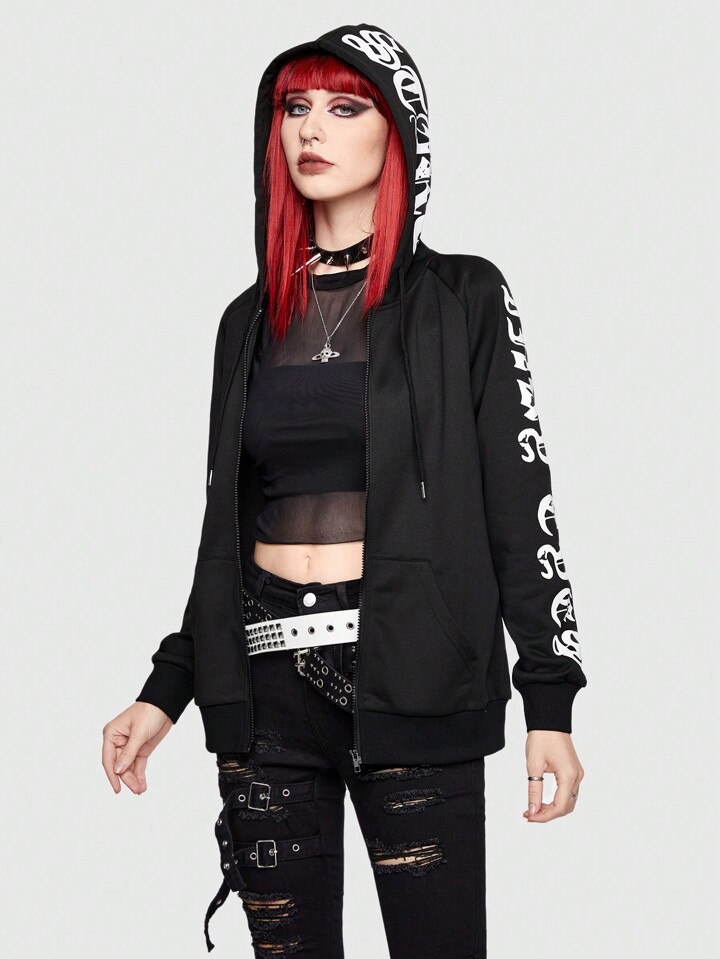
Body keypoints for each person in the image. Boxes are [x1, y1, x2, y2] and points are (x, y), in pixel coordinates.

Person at [102, 22, 587, 959]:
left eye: (344, 107)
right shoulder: (248, 321)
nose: (311, 129)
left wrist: (550, 702)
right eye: (295, 107)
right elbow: (222, 531)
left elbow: (519, 502)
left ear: (398, 134)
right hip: (265, 694)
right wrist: (166, 688)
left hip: (417, 678)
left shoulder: (463, 299)